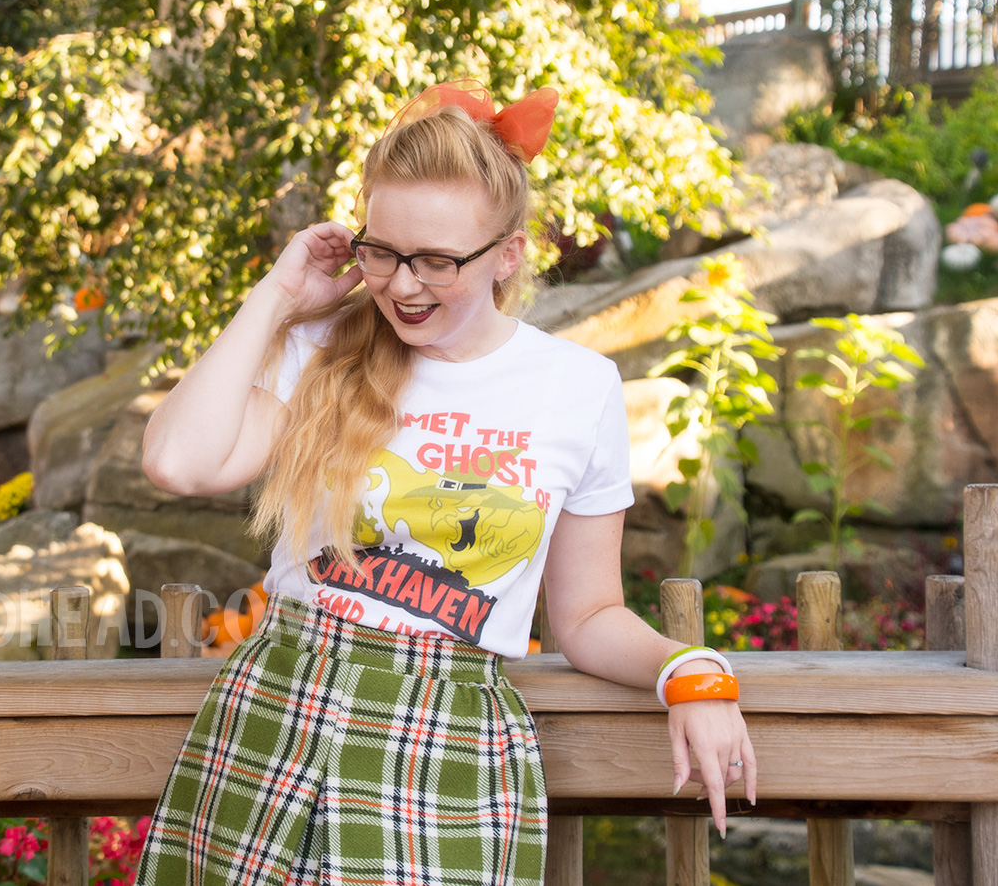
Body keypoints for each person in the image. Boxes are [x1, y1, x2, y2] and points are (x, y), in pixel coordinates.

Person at [136, 81, 756, 886]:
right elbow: (177, 461)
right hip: (276, 713)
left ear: (509, 254)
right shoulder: (324, 343)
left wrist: (692, 673)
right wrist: (279, 297)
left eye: (436, 260)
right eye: (382, 251)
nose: (401, 285)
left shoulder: (578, 385)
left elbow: (589, 615)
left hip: (448, 742)